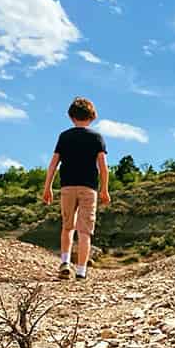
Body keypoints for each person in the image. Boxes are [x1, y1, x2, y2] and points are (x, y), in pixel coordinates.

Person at [42, 97, 111, 280]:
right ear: (92, 116)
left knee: (67, 226)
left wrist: (47, 187)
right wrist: (105, 189)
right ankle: (81, 271)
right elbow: (103, 168)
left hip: (67, 187)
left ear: (71, 116)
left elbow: (53, 164)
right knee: (85, 230)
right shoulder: (97, 138)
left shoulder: (64, 136)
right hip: (89, 188)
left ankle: (65, 262)